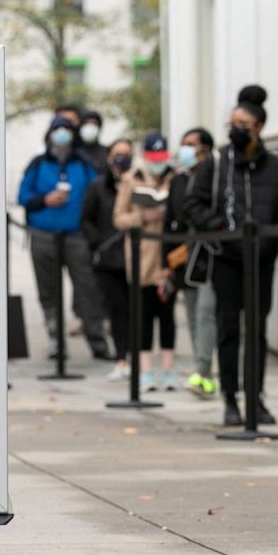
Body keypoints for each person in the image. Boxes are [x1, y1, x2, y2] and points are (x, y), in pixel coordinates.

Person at [184, 100, 278, 426]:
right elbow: (193, 203)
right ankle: (230, 398)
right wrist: (219, 228)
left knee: (257, 331)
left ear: (259, 127)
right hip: (226, 259)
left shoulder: (276, 166)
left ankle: (255, 398)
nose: (236, 129)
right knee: (228, 328)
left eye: (243, 124)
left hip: (261, 260)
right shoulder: (216, 162)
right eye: (232, 123)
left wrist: (270, 241)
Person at [17, 115, 111, 361]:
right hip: (43, 236)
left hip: (77, 237)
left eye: (66, 130)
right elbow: (23, 195)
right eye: (57, 129)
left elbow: (98, 194)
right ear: (49, 134)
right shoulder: (38, 164)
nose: (61, 134)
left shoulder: (83, 164)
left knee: (88, 289)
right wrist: (44, 199)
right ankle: (56, 342)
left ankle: (97, 342)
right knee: (48, 292)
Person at [113, 131, 178, 392]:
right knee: (143, 316)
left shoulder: (175, 178)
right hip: (142, 258)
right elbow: (119, 218)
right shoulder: (132, 180)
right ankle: (146, 372)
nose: (158, 162)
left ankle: (168, 371)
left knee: (167, 316)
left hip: (168, 258)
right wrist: (143, 218)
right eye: (153, 157)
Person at [164, 128, 218, 398]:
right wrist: (169, 260)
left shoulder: (217, 177)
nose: (185, 150)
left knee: (206, 313)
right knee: (193, 314)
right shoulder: (178, 181)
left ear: (206, 149)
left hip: (210, 254)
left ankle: (204, 370)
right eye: (182, 144)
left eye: (191, 145)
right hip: (186, 257)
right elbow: (171, 221)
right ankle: (202, 370)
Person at [82, 138, 134, 381]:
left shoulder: (137, 185)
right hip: (108, 260)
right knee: (117, 310)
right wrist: (98, 244)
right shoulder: (98, 186)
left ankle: (136, 358)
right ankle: (121, 357)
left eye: (127, 153)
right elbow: (87, 219)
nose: (122, 158)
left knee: (136, 311)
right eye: (117, 153)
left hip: (135, 259)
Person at [78, 109, 109, 174]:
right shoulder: (73, 151)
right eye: (86, 123)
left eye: (94, 123)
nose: (90, 126)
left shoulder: (106, 152)